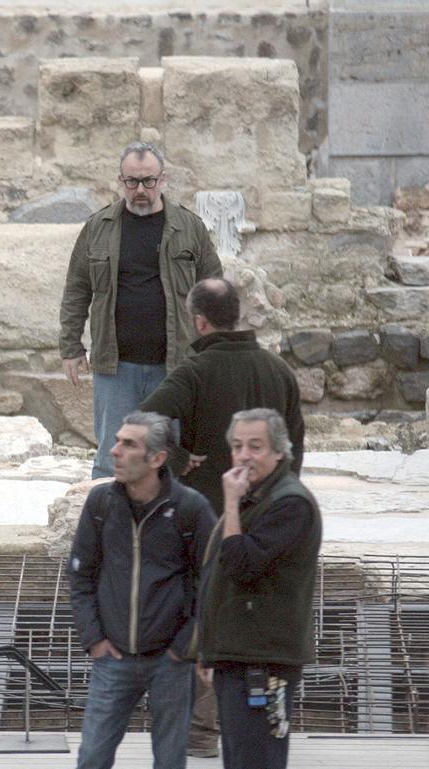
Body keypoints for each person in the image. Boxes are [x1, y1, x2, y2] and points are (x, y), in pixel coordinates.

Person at [139, 278, 305, 758]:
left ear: (199, 320)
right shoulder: (279, 370)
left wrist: (176, 455)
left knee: (207, 611)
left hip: (209, 517)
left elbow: (144, 419)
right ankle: (254, 728)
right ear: (238, 313)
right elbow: (296, 445)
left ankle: (201, 731)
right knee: (257, 615)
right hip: (271, 516)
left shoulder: (196, 370)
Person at [60, 141, 222, 479]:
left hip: (175, 366)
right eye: (131, 182)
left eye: (148, 181)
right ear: (120, 181)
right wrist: (71, 347)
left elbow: (214, 290)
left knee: (172, 457)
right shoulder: (98, 227)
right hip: (115, 366)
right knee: (111, 457)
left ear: (163, 179)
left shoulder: (189, 227)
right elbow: (77, 289)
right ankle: (107, 527)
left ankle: (170, 528)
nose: (140, 190)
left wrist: (214, 354)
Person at [69, 411, 216, 769]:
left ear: (157, 458)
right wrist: (94, 640)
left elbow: (213, 584)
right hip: (112, 659)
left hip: (170, 662)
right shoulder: (101, 504)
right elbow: (80, 575)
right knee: (92, 758)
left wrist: (186, 647)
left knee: (169, 761)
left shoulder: (190, 509)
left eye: (128, 444)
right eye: (117, 440)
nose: (114, 451)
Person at [196, 409, 322, 769]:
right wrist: (209, 651)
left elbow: (240, 565)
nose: (244, 456)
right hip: (237, 654)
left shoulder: (289, 503)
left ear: (280, 451)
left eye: (255, 446)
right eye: (237, 446)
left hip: (262, 661)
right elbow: (216, 579)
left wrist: (231, 503)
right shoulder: (260, 496)